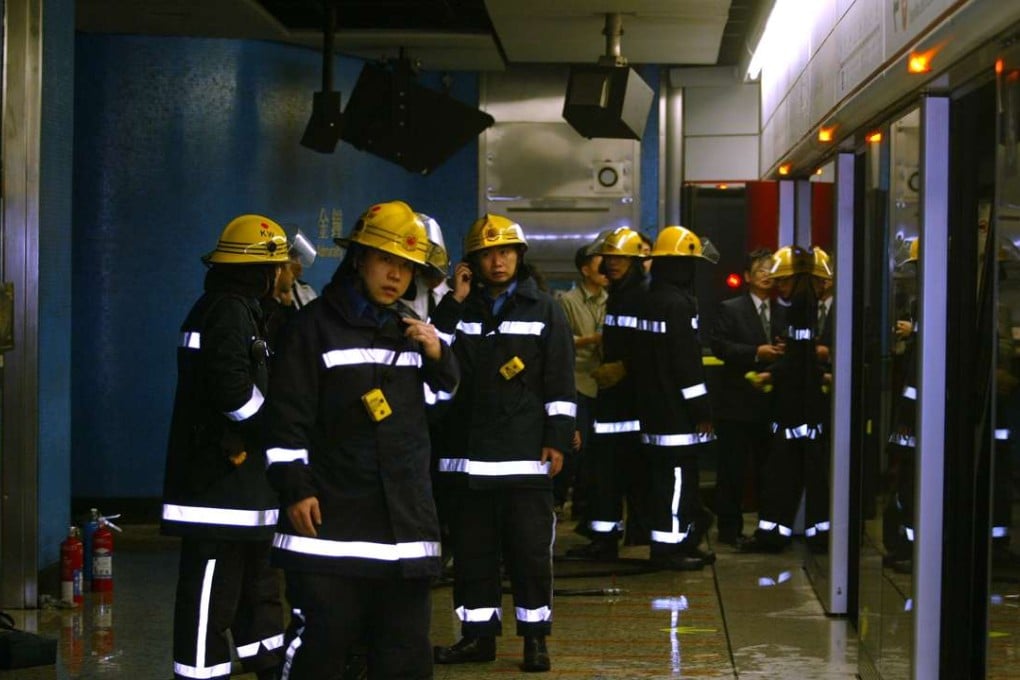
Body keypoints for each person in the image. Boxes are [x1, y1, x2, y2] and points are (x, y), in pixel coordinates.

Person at [263, 200, 459, 679]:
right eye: (386, 260)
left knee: (406, 657)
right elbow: (287, 418)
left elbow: (440, 406)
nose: (396, 276)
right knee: (322, 650)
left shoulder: (408, 334)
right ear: (360, 259)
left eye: (407, 267)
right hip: (331, 524)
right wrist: (296, 486)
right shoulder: (312, 329)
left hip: (403, 530)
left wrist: (439, 356)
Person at [431, 213, 576, 673]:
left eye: (507, 252)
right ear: (472, 262)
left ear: (520, 256)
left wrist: (556, 441)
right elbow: (432, 356)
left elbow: (559, 382)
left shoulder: (545, 309)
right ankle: (478, 638)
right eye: (489, 254)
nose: (499, 261)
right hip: (466, 460)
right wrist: (454, 301)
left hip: (524, 458)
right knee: (472, 554)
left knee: (529, 553)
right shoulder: (458, 308)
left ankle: (534, 641)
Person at [161, 214, 289, 680]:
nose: (283, 275)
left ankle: (269, 664)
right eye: (278, 266)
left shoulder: (240, 309)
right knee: (210, 598)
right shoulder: (227, 311)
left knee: (257, 591)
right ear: (262, 269)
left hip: (240, 492)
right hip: (217, 492)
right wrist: (276, 432)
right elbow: (232, 390)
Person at [631, 225, 719, 570]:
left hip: (652, 411)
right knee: (679, 480)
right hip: (677, 415)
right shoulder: (679, 305)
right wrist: (702, 410)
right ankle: (672, 547)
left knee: (661, 480)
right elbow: (686, 365)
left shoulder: (649, 300)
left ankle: (670, 542)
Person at [738, 246, 830, 554]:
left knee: (784, 475)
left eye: (784, 281)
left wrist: (772, 375)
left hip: (795, 410)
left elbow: (799, 361)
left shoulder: (799, 308)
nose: (779, 287)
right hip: (805, 409)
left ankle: (775, 534)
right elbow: (801, 357)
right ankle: (815, 535)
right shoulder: (806, 308)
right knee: (806, 475)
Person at [565, 227, 648, 559]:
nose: (613, 263)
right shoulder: (620, 293)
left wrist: (625, 367)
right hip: (610, 400)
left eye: (621, 258)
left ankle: (619, 536)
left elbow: (651, 345)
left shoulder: (640, 295)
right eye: (610, 257)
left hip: (630, 402)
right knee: (604, 472)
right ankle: (604, 536)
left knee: (620, 472)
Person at [709, 248, 785, 546]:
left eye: (771, 270)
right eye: (761, 269)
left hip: (773, 403)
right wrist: (756, 353)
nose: (766, 275)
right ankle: (729, 529)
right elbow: (720, 346)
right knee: (732, 470)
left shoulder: (784, 310)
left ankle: (770, 529)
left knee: (772, 470)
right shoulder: (731, 308)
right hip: (737, 402)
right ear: (747, 276)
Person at [555, 244, 608, 520]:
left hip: (604, 384)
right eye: (601, 264)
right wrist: (592, 340)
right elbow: (562, 342)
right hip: (578, 383)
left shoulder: (610, 300)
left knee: (597, 453)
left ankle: (585, 507)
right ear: (585, 269)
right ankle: (559, 499)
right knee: (576, 446)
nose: (606, 270)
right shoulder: (568, 301)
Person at [406, 213, 452, 322]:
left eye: (438, 275)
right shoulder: (407, 293)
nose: (433, 279)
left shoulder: (455, 295)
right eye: (428, 273)